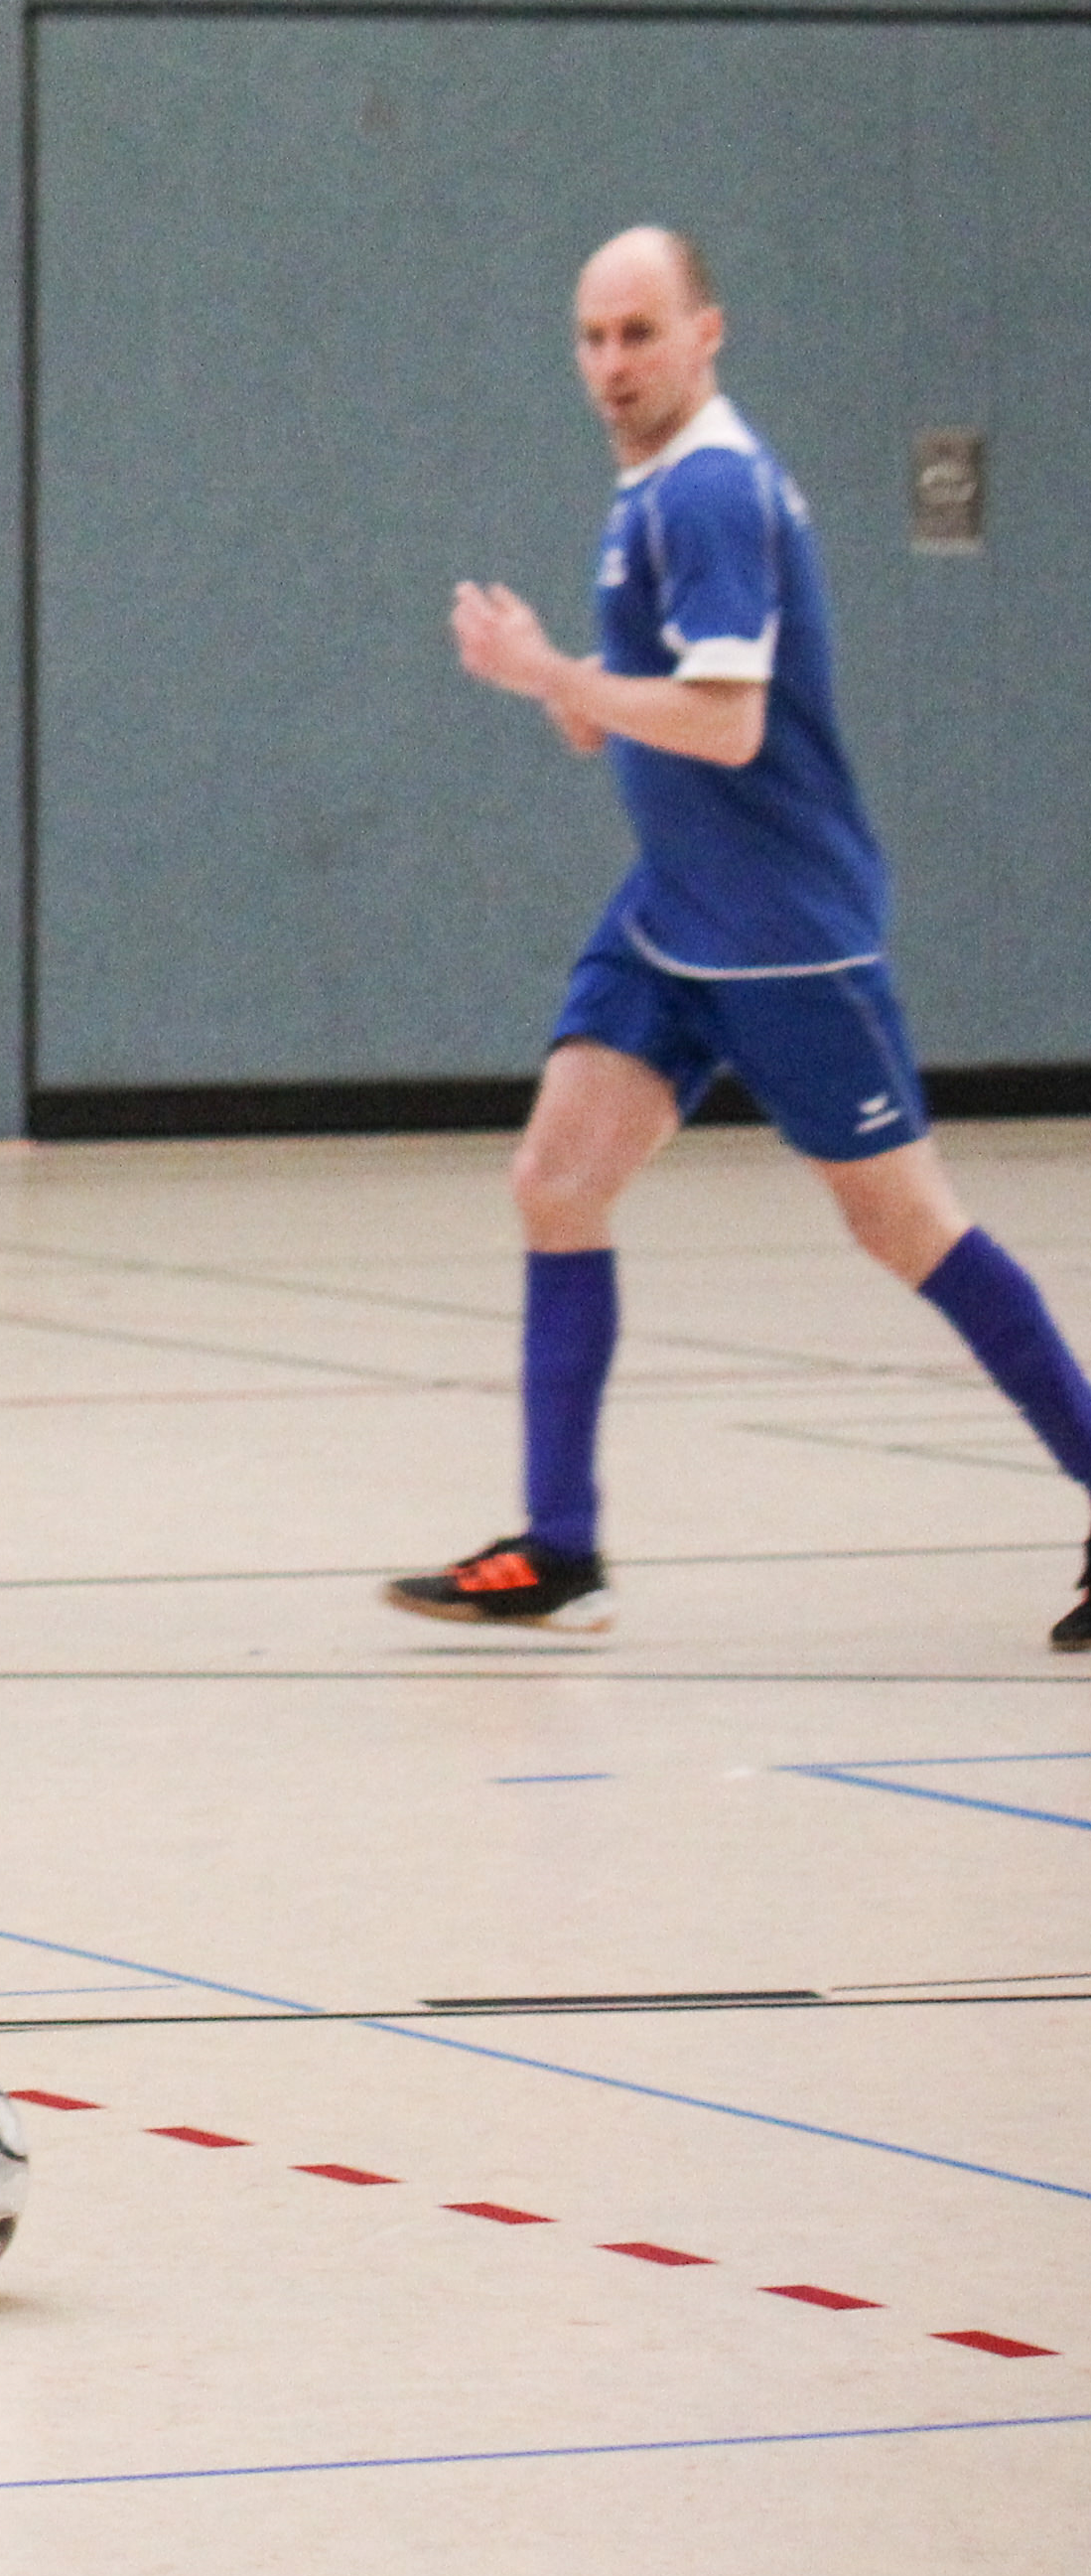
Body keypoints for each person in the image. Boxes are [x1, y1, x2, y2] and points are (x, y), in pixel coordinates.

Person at [397, 225, 1091, 1646]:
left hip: (782, 930)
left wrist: (555, 670)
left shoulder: (709, 488)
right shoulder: (645, 491)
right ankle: (558, 1548)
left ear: (704, 334)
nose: (611, 364)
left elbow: (726, 723)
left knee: (902, 1225)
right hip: (672, 909)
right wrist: (563, 691)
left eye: (638, 333)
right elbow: (641, 714)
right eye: (592, 337)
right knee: (555, 1180)